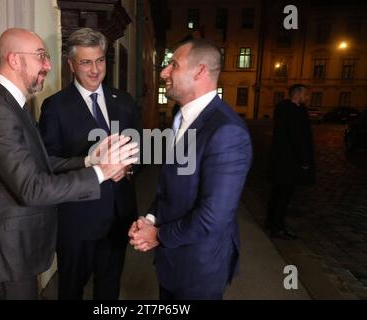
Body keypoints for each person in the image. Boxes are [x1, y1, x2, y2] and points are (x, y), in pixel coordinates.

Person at [0, 28, 138, 300]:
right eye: (41, 56)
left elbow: (40, 165)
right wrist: (100, 171)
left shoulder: (12, 106)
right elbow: (32, 188)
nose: (47, 64)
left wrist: (90, 159)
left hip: (18, 248)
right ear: (15, 60)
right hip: (5, 252)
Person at [128, 39, 253, 300]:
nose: (163, 72)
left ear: (200, 71)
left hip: (199, 268)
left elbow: (213, 217)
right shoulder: (180, 116)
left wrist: (158, 235)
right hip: (171, 261)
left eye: (173, 65)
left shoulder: (227, 131)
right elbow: (171, 186)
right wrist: (149, 219)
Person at [38, 28, 141, 300]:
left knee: (109, 290)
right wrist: (91, 164)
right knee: (71, 290)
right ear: (72, 64)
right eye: (86, 62)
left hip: (118, 219)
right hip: (77, 222)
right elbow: (47, 162)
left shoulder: (125, 102)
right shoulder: (55, 107)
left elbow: (140, 153)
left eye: (100, 60)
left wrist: (128, 168)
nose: (95, 69)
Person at [265, 84, 315, 240]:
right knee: (284, 196)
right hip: (290, 161)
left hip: (280, 159)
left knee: (277, 193)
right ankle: (278, 227)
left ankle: (271, 222)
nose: (307, 98)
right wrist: (304, 160)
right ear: (297, 94)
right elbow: (298, 138)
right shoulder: (295, 112)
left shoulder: (283, 109)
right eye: (305, 94)